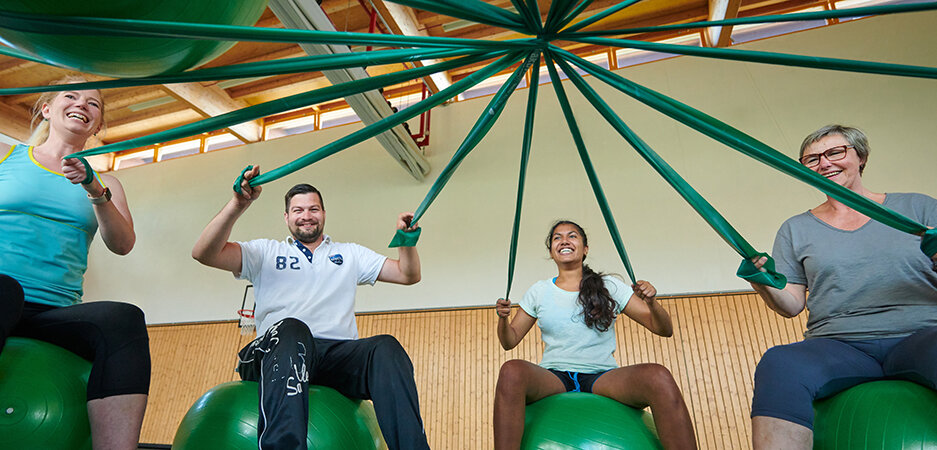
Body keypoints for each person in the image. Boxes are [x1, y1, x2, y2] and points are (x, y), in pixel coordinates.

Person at [191, 166, 430, 450]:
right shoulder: (266, 252)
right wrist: (238, 204)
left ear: (324, 214)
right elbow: (204, 253)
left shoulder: (350, 254)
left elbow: (407, 275)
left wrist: (405, 242)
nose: (306, 216)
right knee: (293, 328)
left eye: (313, 209)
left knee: (386, 348)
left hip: (333, 356)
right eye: (298, 210)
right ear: (286, 217)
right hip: (277, 352)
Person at [748, 124, 937, 449]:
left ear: (860, 157)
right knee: (779, 363)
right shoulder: (796, 229)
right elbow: (792, 304)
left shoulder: (917, 209)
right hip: (840, 345)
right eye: (812, 159)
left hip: (920, 335)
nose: (825, 163)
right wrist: (763, 281)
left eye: (835, 152)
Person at [0, 77, 149, 449]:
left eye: (94, 103)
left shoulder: (106, 181)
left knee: (124, 318)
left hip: (54, 311)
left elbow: (123, 244)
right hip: (1, 293)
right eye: (71, 95)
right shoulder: (5, 155)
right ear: (47, 109)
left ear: (97, 125)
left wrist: (95, 191)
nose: (82, 103)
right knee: (5, 290)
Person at [493, 220, 697, 449]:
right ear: (551, 251)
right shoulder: (539, 291)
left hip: (601, 378)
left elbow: (663, 329)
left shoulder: (609, 285)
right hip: (555, 378)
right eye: (557, 238)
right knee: (511, 370)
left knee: (657, 376)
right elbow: (509, 341)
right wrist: (503, 320)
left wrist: (652, 302)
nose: (564, 241)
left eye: (572, 236)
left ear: (585, 248)